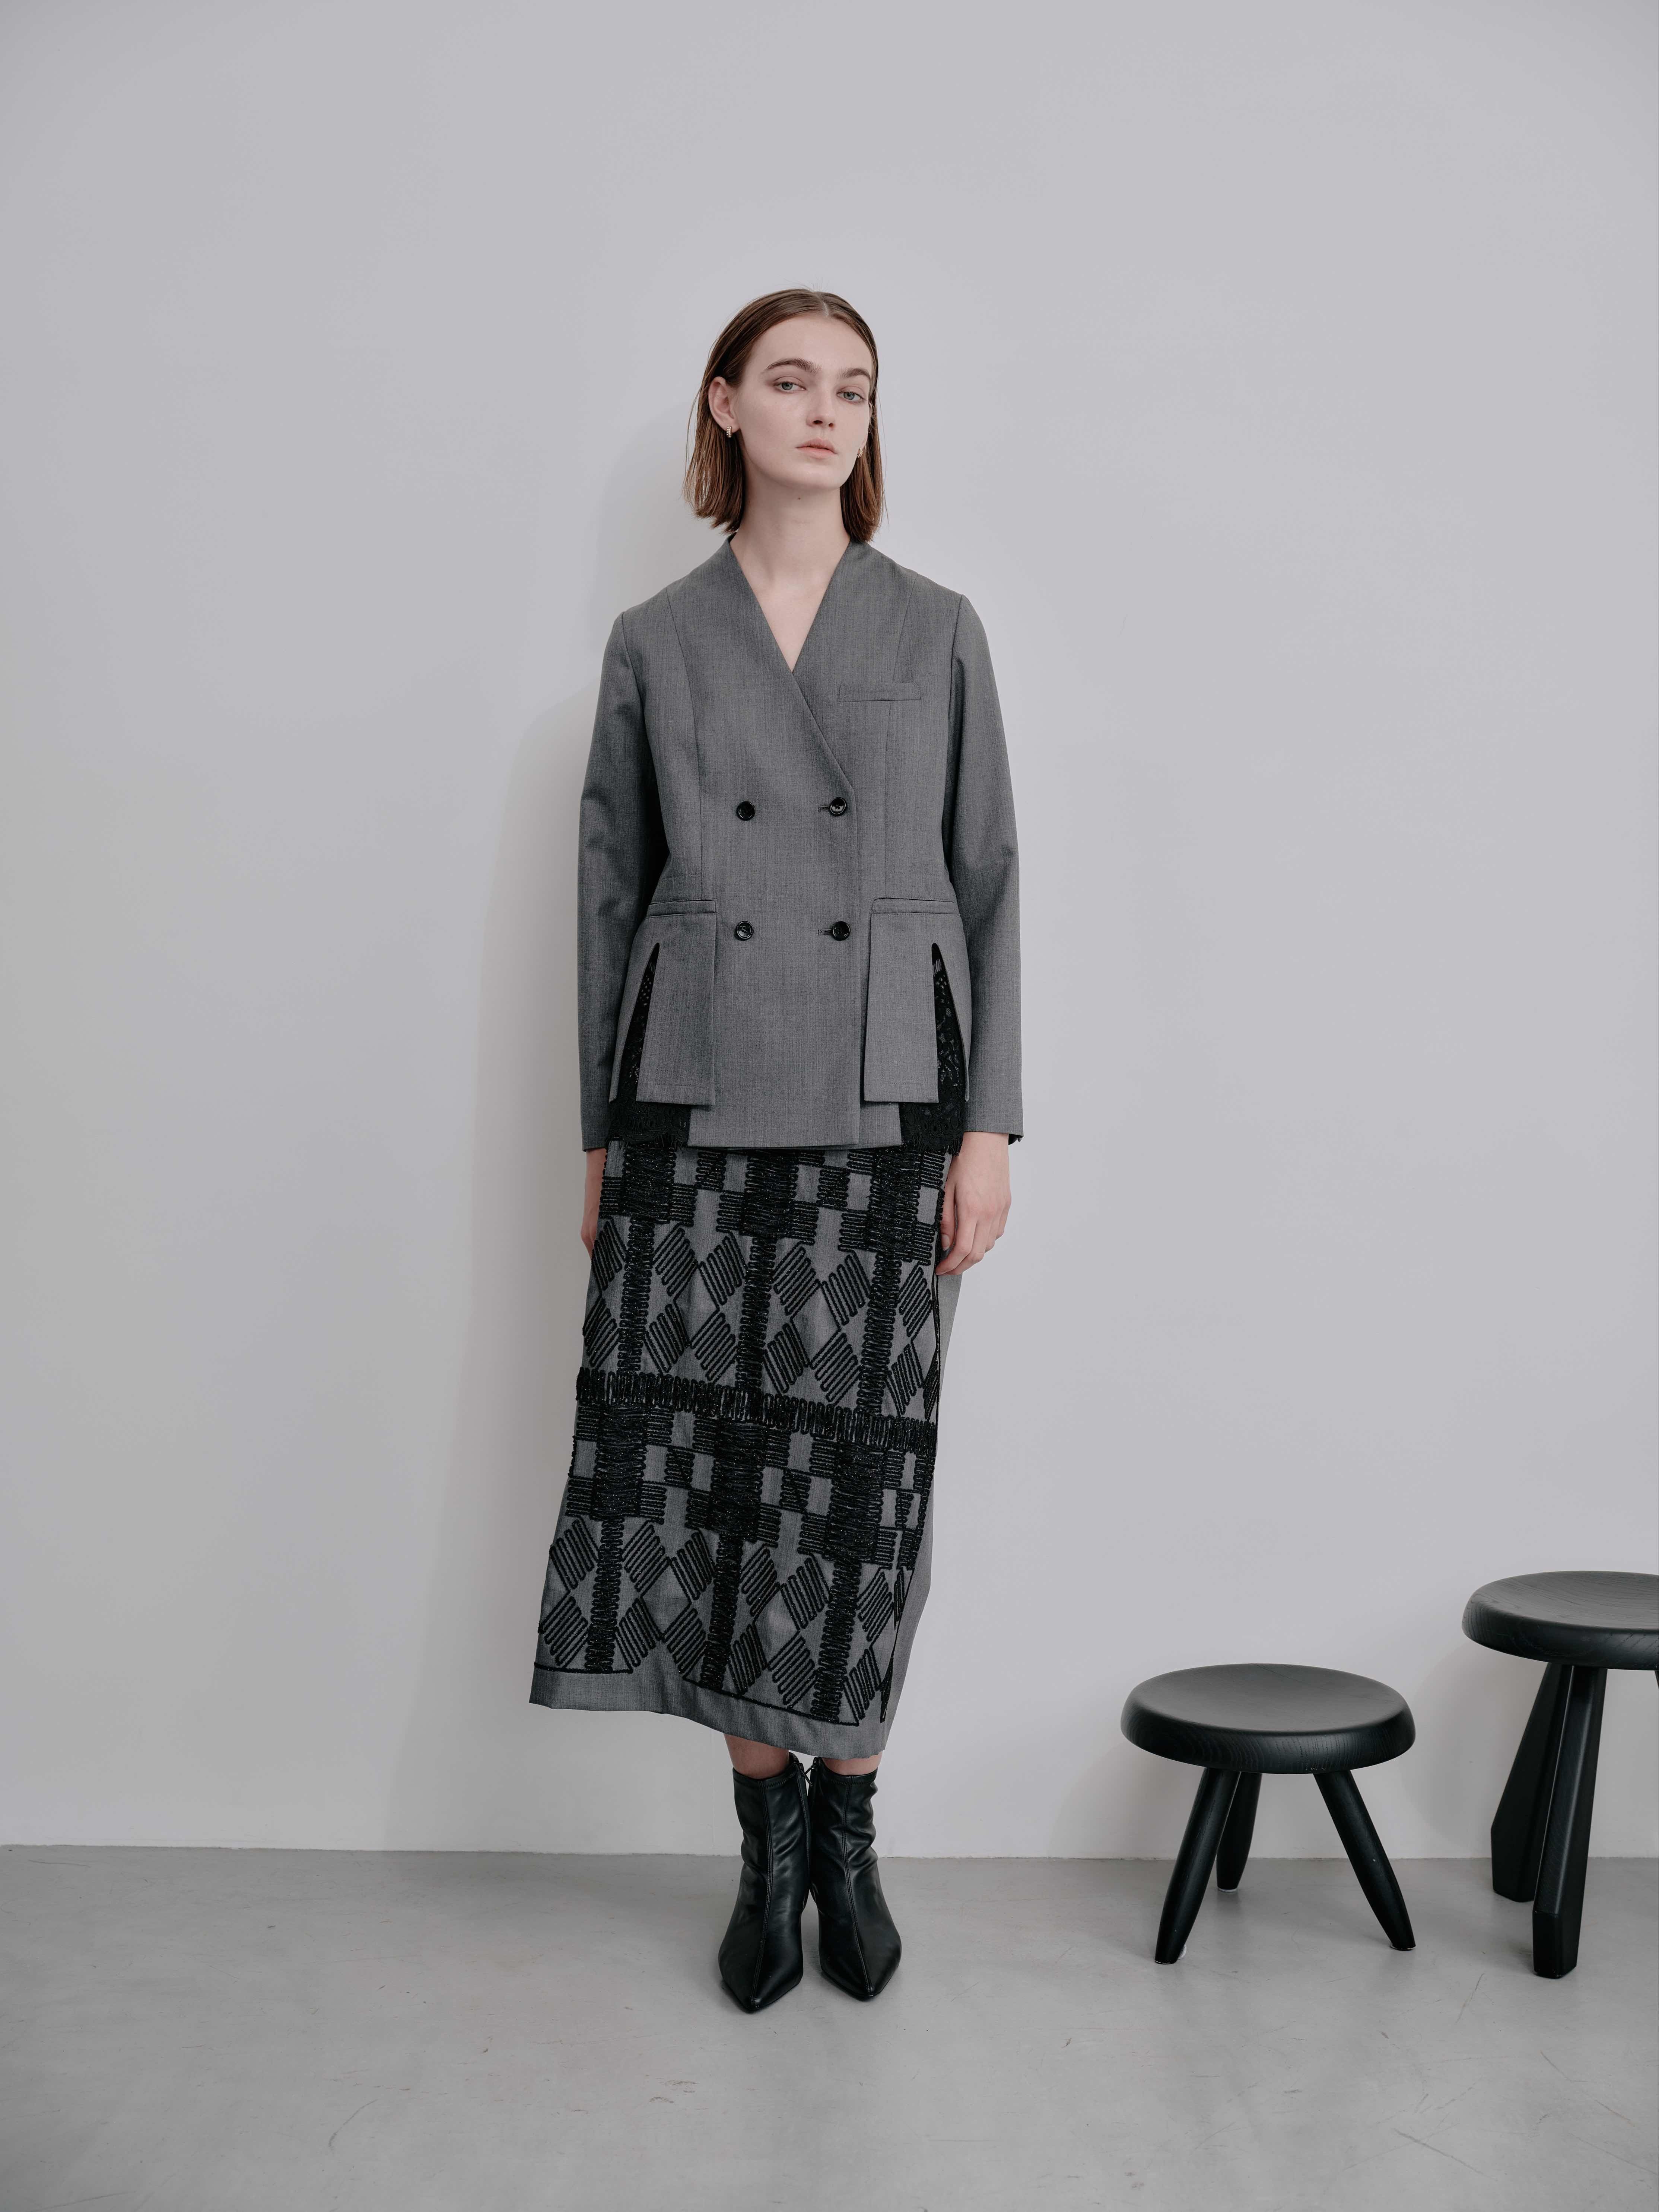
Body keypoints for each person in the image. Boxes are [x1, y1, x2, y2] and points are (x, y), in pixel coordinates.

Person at [529, 287, 1021, 2011]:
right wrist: (600, 1138)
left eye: (855, 388)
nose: (826, 410)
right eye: (792, 381)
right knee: (725, 1480)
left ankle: (850, 1826)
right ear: (725, 404)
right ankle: (765, 1852)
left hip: (887, 1095)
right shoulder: (656, 639)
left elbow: (990, 881)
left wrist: (987, 1125)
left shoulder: (937, 626)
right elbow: (607, 898)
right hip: (695, 1095)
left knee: (865, 1486)